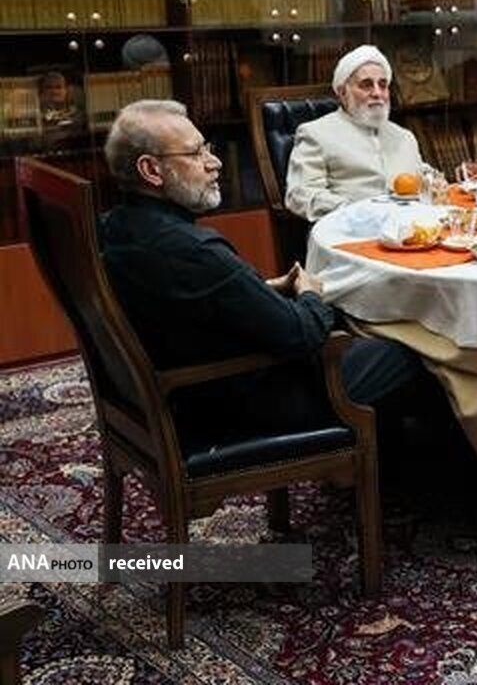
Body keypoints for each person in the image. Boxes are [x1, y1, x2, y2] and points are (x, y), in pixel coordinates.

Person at [100, 99, 433, 440]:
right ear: (151, 170)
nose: (215, 163)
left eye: (207, 148)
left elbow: (188, 305)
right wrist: (310, 294)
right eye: (196, 153)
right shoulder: (194, 251)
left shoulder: (114, 226)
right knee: (416, 354)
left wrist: (264, 289)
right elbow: (303, 334)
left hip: (189, 391)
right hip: (247, 404)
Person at [285, 44, 424, 222]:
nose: (377, 93)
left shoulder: (404, 137)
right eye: (366, 85)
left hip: (410, 228)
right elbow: (299, 194)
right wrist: (351, 210)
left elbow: (424, 177)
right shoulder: (315, 133)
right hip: (350, 228)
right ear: (343, 92)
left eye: (383, 85)